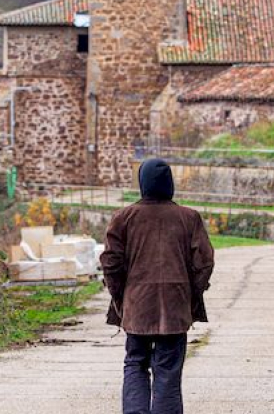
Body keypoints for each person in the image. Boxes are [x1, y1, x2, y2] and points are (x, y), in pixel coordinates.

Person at [100, 158, 215, 414]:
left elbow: (110, 262)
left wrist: (121, 296)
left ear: (143, 182)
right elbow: (204, 263)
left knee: (136, 363)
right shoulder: (189, 218)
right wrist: (190, 294)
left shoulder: (124, 218)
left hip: (137, 305)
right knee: (168, 370)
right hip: (175, 306)